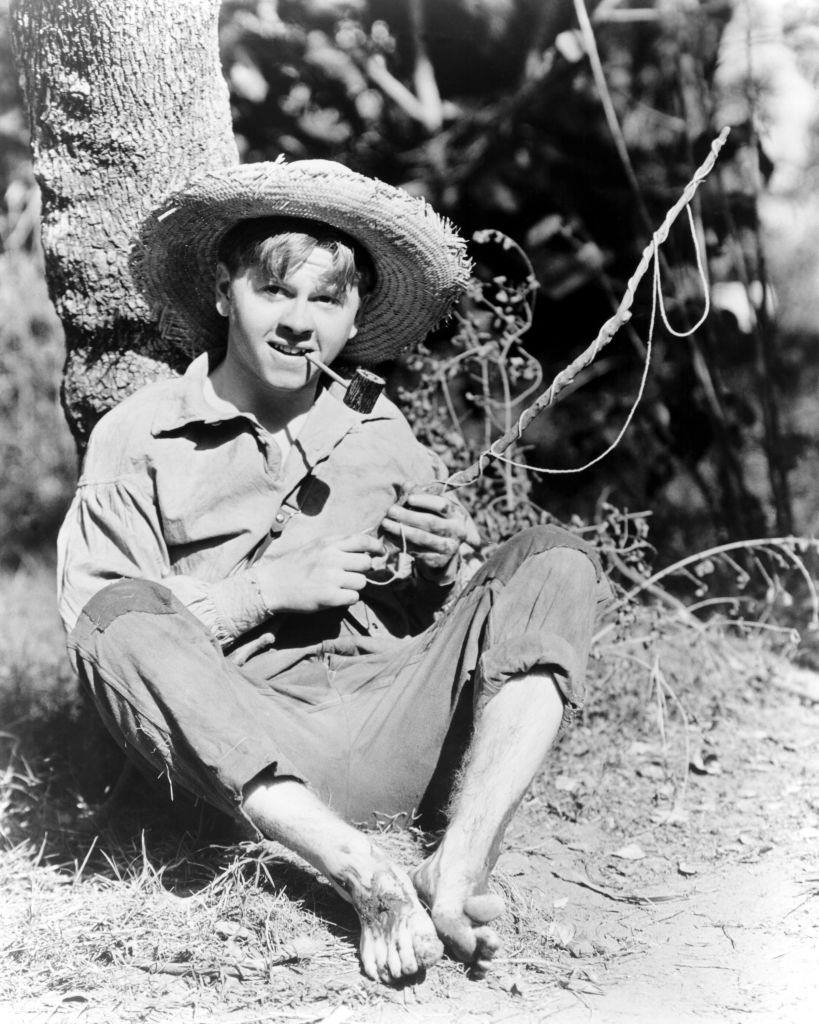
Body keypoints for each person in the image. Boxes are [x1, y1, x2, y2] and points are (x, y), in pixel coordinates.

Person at [57, 159, 609, 985]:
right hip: (251, 756)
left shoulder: (379, 427)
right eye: (274, 292)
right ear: (221, 293)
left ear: (354, 317)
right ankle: (361, 870)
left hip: (393, 723)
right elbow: (107, 640)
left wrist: (442, 562)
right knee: (116, 612)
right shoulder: (138, 436)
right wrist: (266, 591)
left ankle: (455, 867)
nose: (297, 323)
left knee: (552, 560)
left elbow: (466, 636)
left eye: (326, 300)